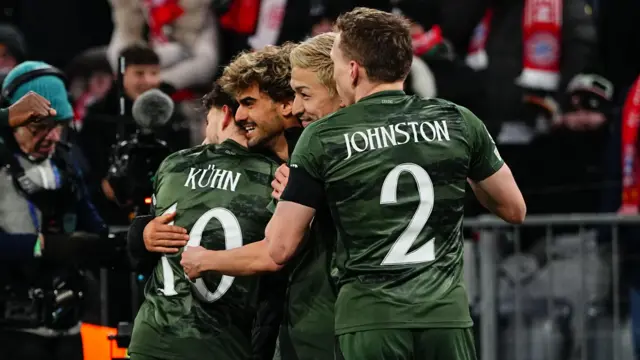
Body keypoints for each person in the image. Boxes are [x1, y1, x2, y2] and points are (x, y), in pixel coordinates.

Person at [263, 7, 526, 360]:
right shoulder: (458, 121)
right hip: (445, 317)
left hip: (371, 318)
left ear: (353, 70)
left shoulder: (323, 137)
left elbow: (279, 247)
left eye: (337, 64)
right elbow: (513, 209)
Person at [128, 45, 301, 360]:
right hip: (226, 346)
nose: (241, 115)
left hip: (149, 342)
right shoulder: (276, 177)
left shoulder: (173, 165)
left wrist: (141, 235)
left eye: (248, 104)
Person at [179, 32, 342, 360]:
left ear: (286, 104)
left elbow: (274, 253)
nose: (240, 117)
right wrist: (143, 233)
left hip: (333, 327)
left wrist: (206, 260)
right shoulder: (250, 166)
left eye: (249, 103)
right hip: (276, 330)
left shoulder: (329, 156)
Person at [0, 61, 108, 360]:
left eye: (57, 125)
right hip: (12, 333)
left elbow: (96, 229)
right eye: (38, 126)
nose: (50, 137)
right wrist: (45, 246)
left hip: (67, 329)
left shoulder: (65, 166)